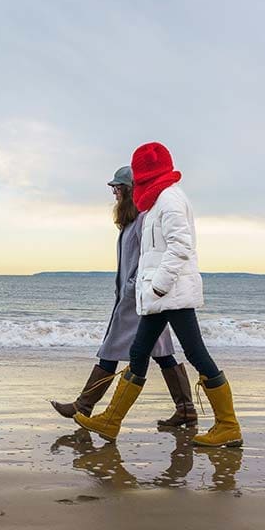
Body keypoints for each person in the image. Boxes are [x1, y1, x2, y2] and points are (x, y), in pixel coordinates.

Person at [74, 143, 243, 448]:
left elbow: (181, 246)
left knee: (195, 353)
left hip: (171, 294)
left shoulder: (170, 200)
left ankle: (228, 425)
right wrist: (150, 291)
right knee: (139, 353)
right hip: (158, 296)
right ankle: (111, 421)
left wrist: (158, 286)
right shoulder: (155, 203)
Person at [50, 165, 196, 428]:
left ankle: (83, 405)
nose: (114, 192)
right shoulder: (131, 220)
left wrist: (133, 287)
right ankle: (185, 409)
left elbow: (151, 257)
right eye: (113, 188)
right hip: (137, 299)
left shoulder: (143, 219)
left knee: (111, 351)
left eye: (117, 187)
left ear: (129, 189)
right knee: (161, 354)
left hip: (138, 299)